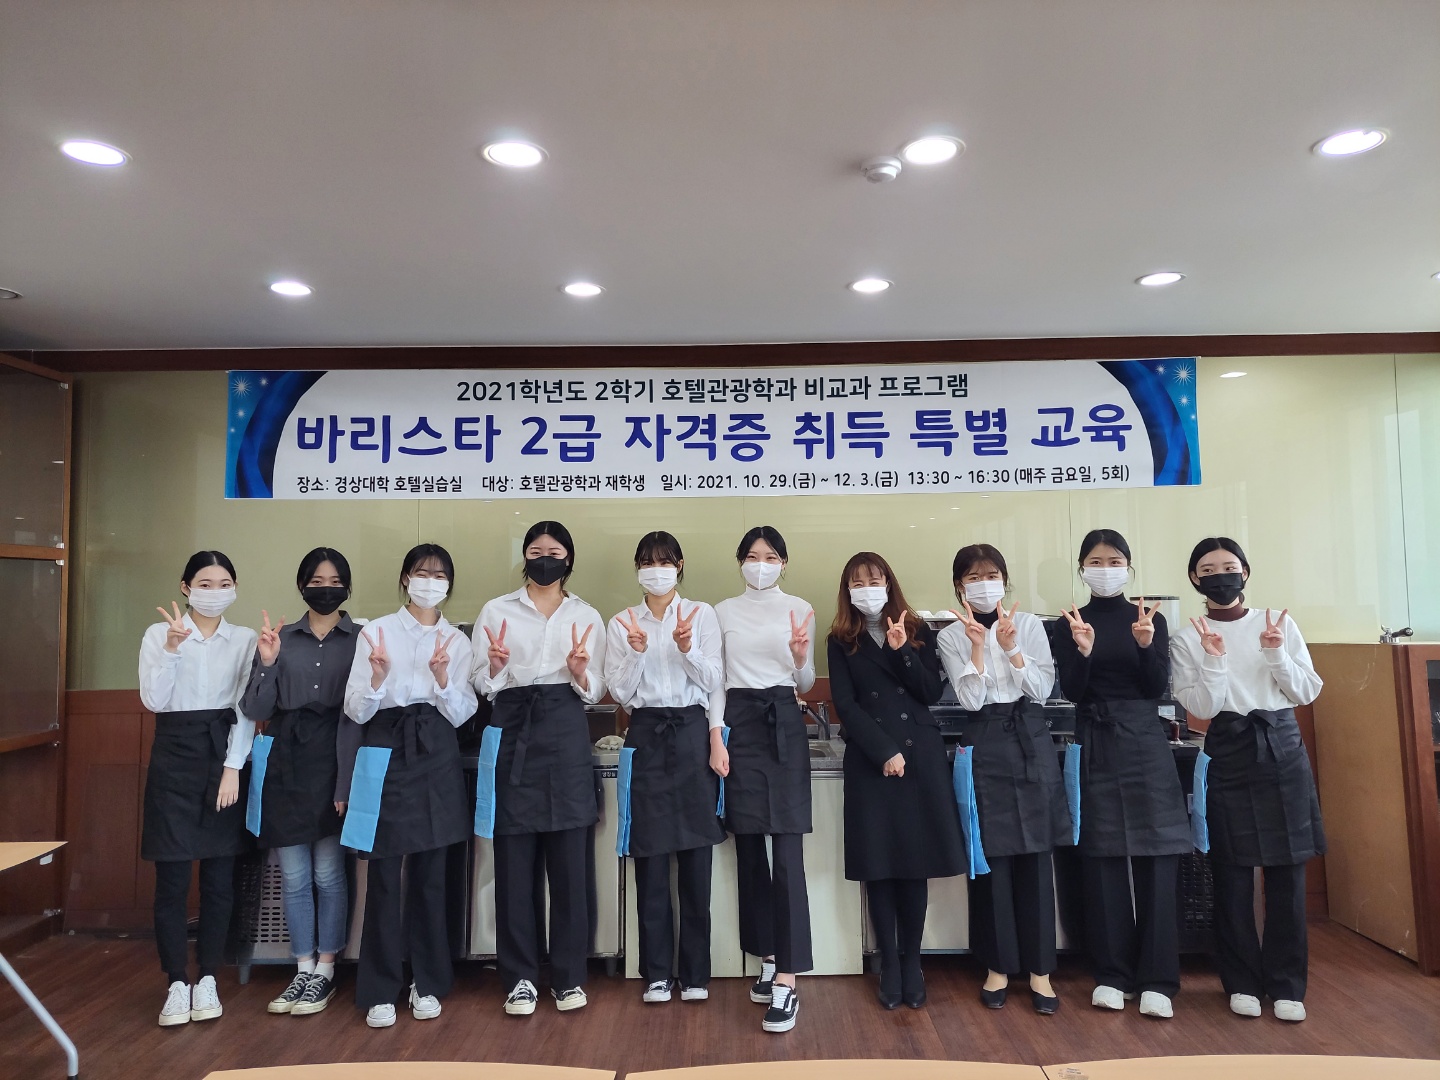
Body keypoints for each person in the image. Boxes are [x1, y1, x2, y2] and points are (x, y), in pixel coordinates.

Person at [1170, 536, 1324, 1023]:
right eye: (1208, 569)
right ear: (1195, 579)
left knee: (1287, 872)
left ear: (1246, 572)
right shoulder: (1186, 637)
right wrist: (1214, 659)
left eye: (1229, 566)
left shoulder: (1277, 622)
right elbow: (1201, 707)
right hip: (1228, 750)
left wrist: (1275, 653)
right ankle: (1240, 981)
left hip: (1281, 748)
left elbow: (1306, 691)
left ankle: (1287, 984)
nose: (1221, 575)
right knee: (1231, 872)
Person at [1050, 528, 1192, 1019]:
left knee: (1157, 856)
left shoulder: (1148, 618)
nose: (1105, 569)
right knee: (1102, 856)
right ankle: (1112, 974)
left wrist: (1147, 645)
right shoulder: (1070, 622)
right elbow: (1072, 691)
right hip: (1094, 736)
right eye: (1095, 561)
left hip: (1144, 738)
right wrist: (1084, 652)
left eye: (1114, 562)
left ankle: (1158, 979)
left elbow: (1155, 687)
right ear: (1082, 569)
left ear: (1128, 568)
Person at [472, 521, 606, 1016]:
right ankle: (520, 978)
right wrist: (495, 666)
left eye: (554, 551)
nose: (544, 558)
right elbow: (480, 683)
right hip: (513, 736)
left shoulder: (587, 615)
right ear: (524, 557)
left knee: (570, 869)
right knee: (514, 869)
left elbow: (597, 690)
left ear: (568, 559)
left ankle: (569, 978)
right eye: (534, 550)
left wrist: (580, 673)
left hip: (566, 737)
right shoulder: (496, 610)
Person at [826, 551, 966, 1010]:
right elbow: (846, 704)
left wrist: (901, 649)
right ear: (847, 590)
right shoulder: (839, 639)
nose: (867, 590)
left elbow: (930, 692)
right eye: (858, 583)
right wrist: (883, 750)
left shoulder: (917, 629)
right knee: (879, 865)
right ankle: (888, 961)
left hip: (920, 756)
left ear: (889, 583)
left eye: (875, 580)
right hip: (871, 758)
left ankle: (912, 962)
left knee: (913, 864)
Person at [343, 543, 475, 1029]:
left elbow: (463, 713)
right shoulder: (375, 632)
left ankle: (427, 980)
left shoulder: (457, 641)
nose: (430, 582)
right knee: (382, 874)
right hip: (385, 746)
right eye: (422, 573)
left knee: (431, 873)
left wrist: (442, 680)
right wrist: (378, 679)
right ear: (405, 579)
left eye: (440, 576)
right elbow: (356, 709)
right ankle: (380, 988)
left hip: (436, 749)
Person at [936, 543, 1071, 1015]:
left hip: (1029, 735)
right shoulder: (950, 636)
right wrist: (977, 646)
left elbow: (1042, 689)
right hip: (984, 739)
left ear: (1004, 579)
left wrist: (1012, 649)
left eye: (991, 574)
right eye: (973, 577)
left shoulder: (1029, 625)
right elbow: (970, 700)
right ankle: (997, 966)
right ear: (959, 586)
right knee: (989, 856)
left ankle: (1040, 971)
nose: (983, 583)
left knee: (1035, 857)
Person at [604, 531, 726, 1003]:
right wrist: (637, 653)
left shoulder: (701, 614)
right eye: (647, 563)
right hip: (647, 735)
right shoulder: (623, 622)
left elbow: (715, 680)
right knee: (650, 858)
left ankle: (695, 974)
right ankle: (656, 972)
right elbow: (620, 694)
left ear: (680, 565)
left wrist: (687, 647)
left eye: (664, 561)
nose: (656, 570)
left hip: (693, 733)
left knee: (697, 860)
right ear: (638, 569)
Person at [139, 550, 258, 1028]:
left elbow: (246, 709)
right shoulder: (159, 634)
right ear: (186, 588)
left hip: (223, 755)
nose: (215, 592)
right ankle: (175, 981)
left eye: (224, 583)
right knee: (170, 880)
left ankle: (208, 976)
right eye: (205, 584)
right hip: (173, 758)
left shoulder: (244, 639)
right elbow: (153, 700)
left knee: (219, 879)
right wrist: (172, 649)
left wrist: (233, 768)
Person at [240, 547, 360, 1017]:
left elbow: (361, 714)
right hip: (286, 758)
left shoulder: (363, 638)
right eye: (316, 581)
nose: (325, 589)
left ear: (347, 587)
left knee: (328, 873)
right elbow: (256, 709)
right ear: (301, 586)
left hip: (335, 755)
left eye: (334, 581)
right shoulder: (280, 638)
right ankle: (302, 968)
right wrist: (268, 662)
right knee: (293, 876)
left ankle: (326, 969)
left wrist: (346, 784)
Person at [714, 525, 815, 1033]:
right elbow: (716, 680)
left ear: (784, 562)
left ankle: (789, 981)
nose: (761, 564)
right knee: (750, 850)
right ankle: (769, 958)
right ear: (740, 562)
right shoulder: (721, 612)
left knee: (788, 852)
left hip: (783, 720)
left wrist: (798, 658)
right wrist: (716, 736)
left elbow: (805, 681)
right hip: (739, 723)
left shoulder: (800, 608)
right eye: (753, 556)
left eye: (771, 556)